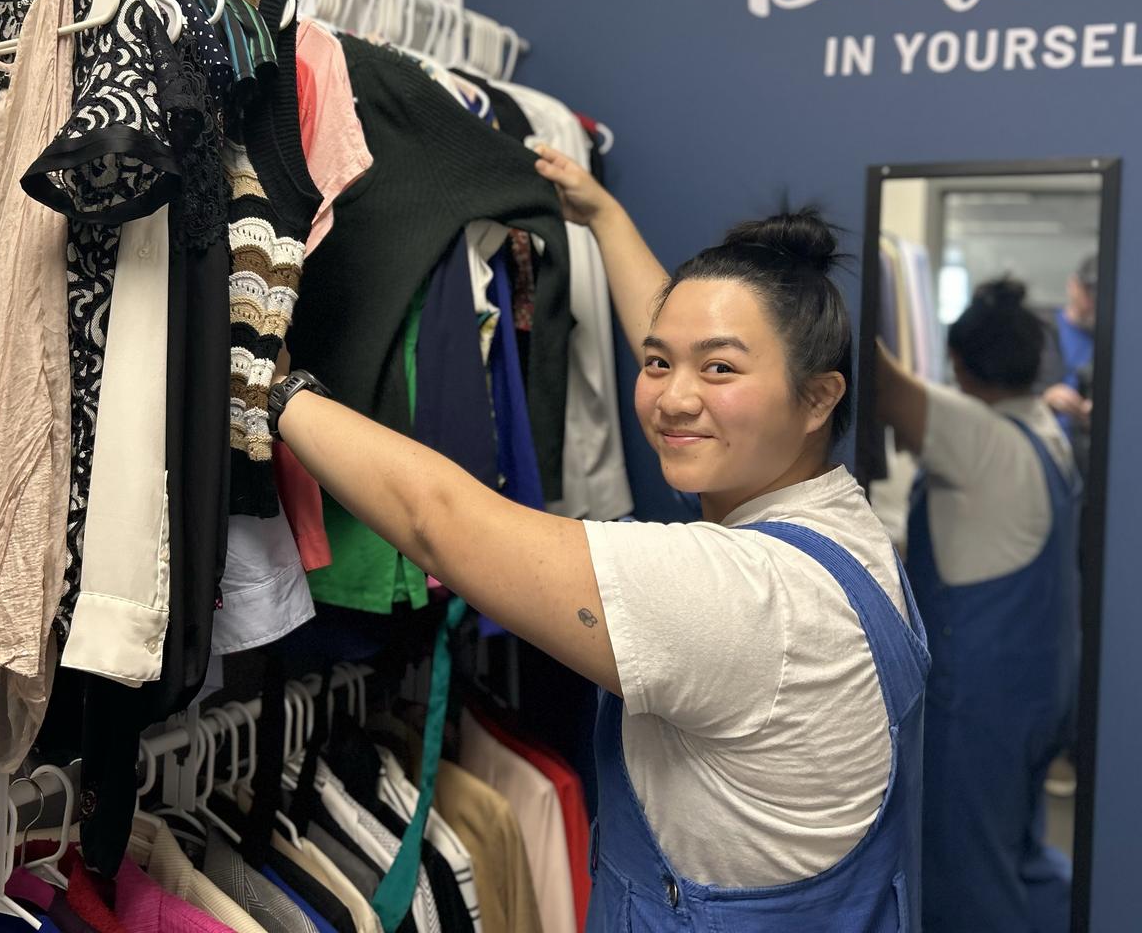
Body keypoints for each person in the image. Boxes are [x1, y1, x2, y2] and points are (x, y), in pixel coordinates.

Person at [272, 145, 928, 931]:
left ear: (818, 397)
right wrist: (606, 220)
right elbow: (690, 355)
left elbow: (439, 523)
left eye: (718, 369)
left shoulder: (749, 597)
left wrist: (272, 386)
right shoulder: (845, 532)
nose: (673, 397)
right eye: (656, 362)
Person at [876, 277, 1080, 933]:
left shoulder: (984, 441)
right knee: (1017, 854)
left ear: (960, 365)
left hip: (979, 705)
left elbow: (879, 383)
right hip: (1037, 690)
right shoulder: (1045, 432)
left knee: (966, 875)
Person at [1041, 253, 1096, 482]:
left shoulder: (1114, 341)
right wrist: (1046, 400)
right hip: (1048, 453)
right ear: (1074, 286)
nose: (1093, 300)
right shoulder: (1042, 333)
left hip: (1089, 460)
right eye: (1089, 291)